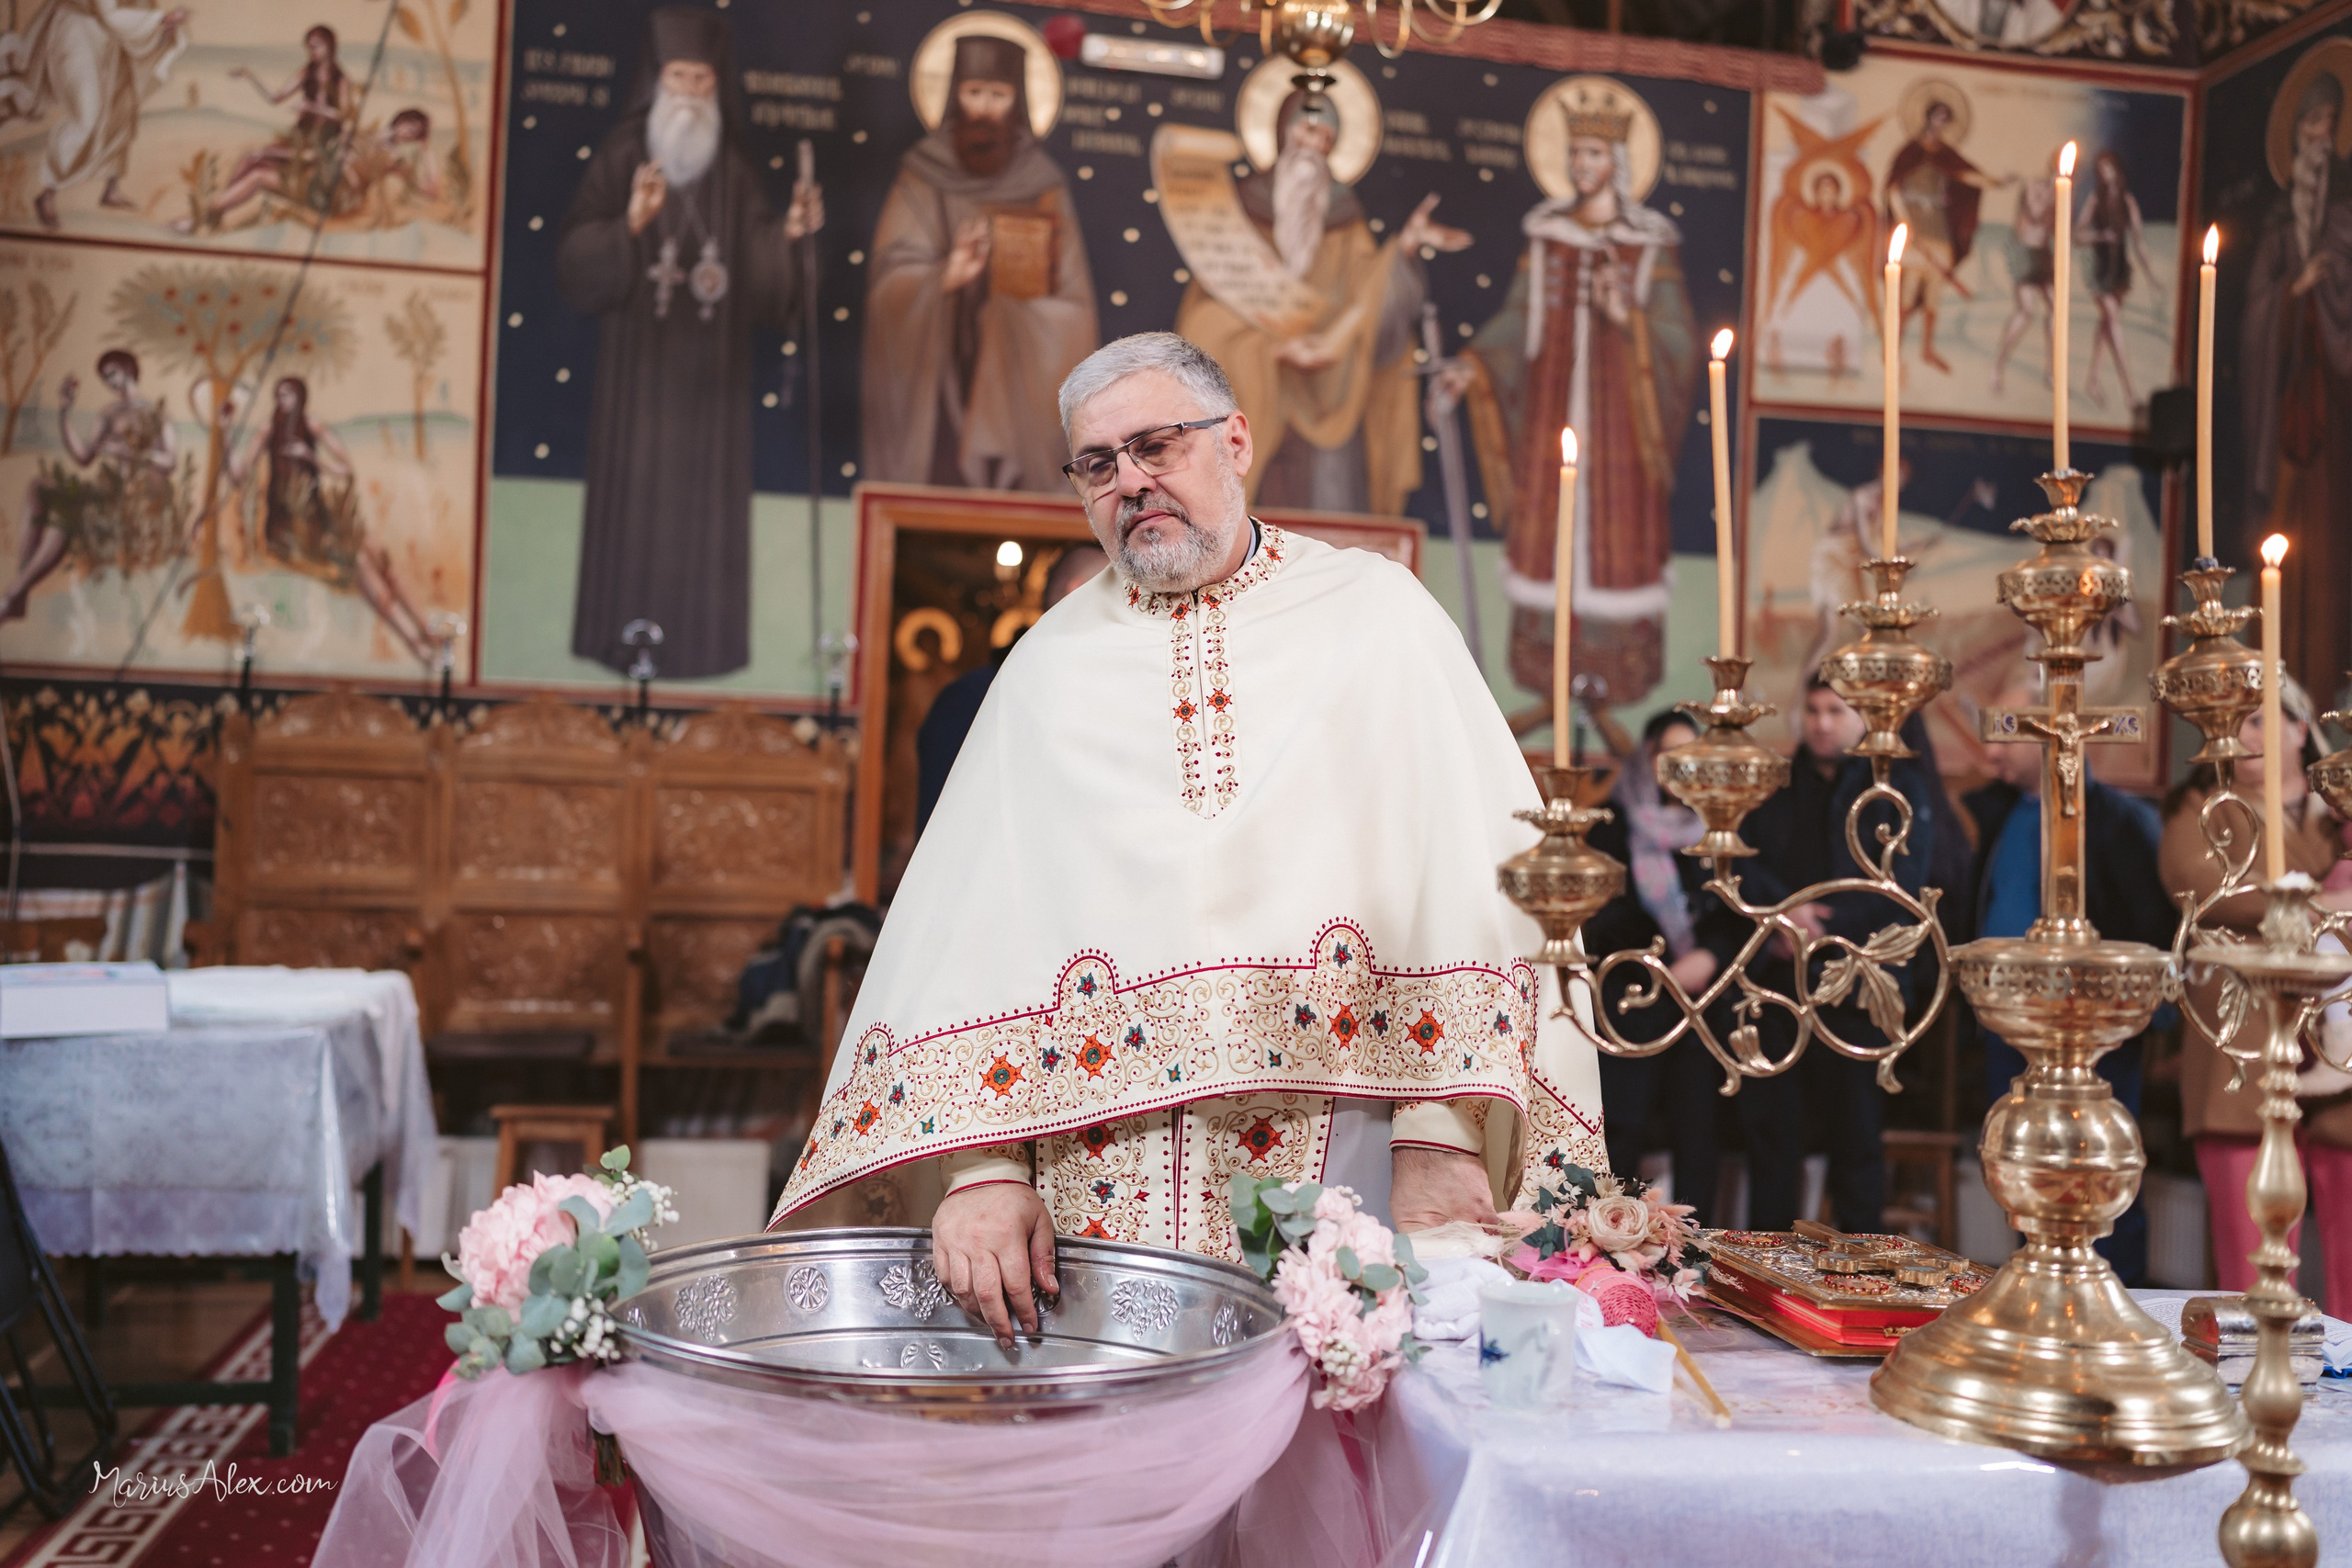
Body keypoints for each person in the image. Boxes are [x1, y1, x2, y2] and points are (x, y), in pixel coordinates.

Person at [771, 333, 1606, 1342]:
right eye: (1097, 463)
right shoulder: (1045, 670)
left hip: (1353, 1155)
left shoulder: (1381, 621)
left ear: (1235, 441)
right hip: (1097, 1194)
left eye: (1157, 445)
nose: (1129, 481)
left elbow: (1474, 890)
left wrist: (1446, 1134)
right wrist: (981, 1169)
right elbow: (968, 936)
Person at [555, 8, 821, 680]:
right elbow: (575, 261)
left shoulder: (731, 169)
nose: (692, 93)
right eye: (679, 77)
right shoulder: (623, 158)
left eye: (703, 80)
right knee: (634, 503)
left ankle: (704, 647)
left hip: (712, 388)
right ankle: (618, 639)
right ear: (657, 80)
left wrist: (788, 236)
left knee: (704, 513)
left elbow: (761, 270)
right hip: (636, 380)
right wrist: (629, 224)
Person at [1442, 79, 1698, 710]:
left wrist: (1627, 317)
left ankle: (1614, 672)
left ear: (1617, 161)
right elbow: (1516, 318)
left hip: (1622, 422)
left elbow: (1679, 340)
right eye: (1576, 152)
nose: (1582, 164)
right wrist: (1474, 365)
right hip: (1553, 405)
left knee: (1616, 528)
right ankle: (1546, 674)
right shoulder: (1548, 234)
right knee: (1548, 524)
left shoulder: (1649, 244)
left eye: (1594, 154)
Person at [1696, 675, 1937, 1234]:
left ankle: (1861, 1268)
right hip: (1778, 984)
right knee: (1771, 1139)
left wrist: (1821, 927)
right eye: (1813, 710)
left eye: (1836, 710)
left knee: (1856, 1140)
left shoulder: (1895, 787)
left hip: (1859, 985)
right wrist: (1786, 916)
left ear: (1862, 717)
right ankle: (1766, 1263)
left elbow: (1904, 888)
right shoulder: (1774, 783)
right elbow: (1740, 863)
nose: (1822, 722)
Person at [1966, 674, 2172, 1284]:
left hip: (2093, 1031)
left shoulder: (2116, 820)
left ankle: (2120, 1296)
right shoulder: (2000, 813)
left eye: (2007, 732)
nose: (1992, 751)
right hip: (2009, 1024)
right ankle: (2035, 1291)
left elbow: (2149, 926)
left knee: (2099, 1171)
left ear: (2048, 734)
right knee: (2020, 1165)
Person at [1174, 89, 1465, 516]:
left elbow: (1371, 300)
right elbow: (1201, 320)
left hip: (1332, 399)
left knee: (1331, 526)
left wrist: (1405, 247)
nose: (1313, 147)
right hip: (1252, 398)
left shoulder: (1343, 218)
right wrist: (1270, 350)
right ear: (1282, 132)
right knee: (1237, 523)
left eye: (1325, 139)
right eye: (1306, 131)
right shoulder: (1238, 213)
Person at [2161, 678, 2352, 1313]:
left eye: (2260, 720)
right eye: (2233, 722)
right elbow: (2203, 891)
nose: (2244, 735)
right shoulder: (2203, 809)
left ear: (2300, 728)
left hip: (2338, 1042)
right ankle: (2252, 1364)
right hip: (2242, 1040)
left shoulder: (2338, 809)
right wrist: (2326, 902)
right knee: (2251, 1265)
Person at [861, 32, 1096, 493]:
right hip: (938, 400)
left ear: (1017, 100)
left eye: (998, 94)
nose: (985, 109)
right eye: (974, 92)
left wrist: (1012, 313)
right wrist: (944, 277)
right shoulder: (921, 175)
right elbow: (888, 283)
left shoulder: (1044, 184)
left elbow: (1075, 307)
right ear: (955, 95)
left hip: (1015, 392)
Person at [2241, 51, 2352, 698]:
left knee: (2333, 538)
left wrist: (2331, 287)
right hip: (2288, 409)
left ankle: (2330, 685)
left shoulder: (2345, 218)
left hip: (2335, 407)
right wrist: (2294, 290)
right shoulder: (2281, 221)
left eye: (2330, 123)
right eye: (2311, 124)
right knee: (2285, 525)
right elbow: (2256, 312)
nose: (2321, 137)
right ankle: (2277, 691)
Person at [1586, 709, 1723, 1224]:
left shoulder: (1717, 828)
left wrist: (1709, 956)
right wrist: (1663, 965)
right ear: (1649, 757)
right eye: (1669, 754)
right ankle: (1612, 1240)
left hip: (1700, 1002)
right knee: (1622, 1128)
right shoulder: (1612, 826)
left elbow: (1735, 909)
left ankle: (1694, 1251)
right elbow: (1602, 917)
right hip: (1630, 999)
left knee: (1698, 1132)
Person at [224, 377, 434, 666]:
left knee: (378, 555)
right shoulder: (269, 431)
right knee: (362, 567)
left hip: (320, 514)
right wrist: (225, 434)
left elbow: (345, 469)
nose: (283, 400)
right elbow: (238, 476)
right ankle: (415, 642)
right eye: (279, 395)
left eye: (288, 394)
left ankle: (428, 629)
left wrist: (310, 457)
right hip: (290, 526)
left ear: (300, 396)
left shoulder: (312, 426)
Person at [913, 541, 1106, 837]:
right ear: (1078, 594)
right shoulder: (974, 698)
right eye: (1125, 596)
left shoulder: (1102, 694)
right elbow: (945, 828)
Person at [0, 349, 178, 620]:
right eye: (105, 378)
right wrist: (64, 411)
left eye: (112, 374)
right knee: (39, 485)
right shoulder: (110, 412)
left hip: (134, 498)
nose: (110, 382)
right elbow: (83, 457)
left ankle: (14, 595)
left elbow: (170, 461)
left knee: (67, 520)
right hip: (106, 490)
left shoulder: (156, 412)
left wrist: (131, 452)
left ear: (128, 369)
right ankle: (18, 595)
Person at [0, 0, 188, 230]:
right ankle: (47, 193)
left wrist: (161, 29)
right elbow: (107, 12)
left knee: (121, 109)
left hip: (111, 38)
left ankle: (111, 189)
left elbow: (137, 10)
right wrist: (157, 21)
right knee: (87, 118)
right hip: (77, 31)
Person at [1885, 90, 2011, 375]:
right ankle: (1893, 347)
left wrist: (1995, 182)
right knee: (1908, 291)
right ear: (1928, 117)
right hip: (1915, 228)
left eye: (1946, 119)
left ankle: (1927, 349)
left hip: (1938, 229)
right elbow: (1892, 189)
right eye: (1938, 117)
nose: (1941, 123)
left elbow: (1965, 176)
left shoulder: (1946, 155)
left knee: (1934, 293)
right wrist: (1905, 225)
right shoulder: (1909, 152)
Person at [184, 106, 440, 232]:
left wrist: (427, 149)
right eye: (408, 124)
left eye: (414, 132)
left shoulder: (395, 160)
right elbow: (325, 152)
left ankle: (202, 217)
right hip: (317, 174)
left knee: (258, 176)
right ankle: (217, 214)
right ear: (399, 120)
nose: (407, 131)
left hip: (333, 194)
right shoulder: (367, 134)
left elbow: (432, 192)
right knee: (252, 159)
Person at [2078, 150, 2159, 412]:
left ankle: (2092, 380)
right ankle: (2130, 393)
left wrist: (2151, 277)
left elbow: (2139, 241)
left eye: (2108, 168)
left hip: (2119, 270)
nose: (2105, 173)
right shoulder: (2095, 199)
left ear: (2116, 170)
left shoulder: (2127, 201)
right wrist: (2100, 237)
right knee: (2113, 323)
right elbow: (2078, 234)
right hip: (2100, 269)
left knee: (2106, 326)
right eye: (2101, 169)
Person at [1990, 159, 2057, 398]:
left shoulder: (2062, 193)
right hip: (2025, 251)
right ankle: (1998, 367)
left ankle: (2052, 371)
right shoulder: (2036, 186)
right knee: (2026, 311)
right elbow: (2036, 213)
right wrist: (2054, 194)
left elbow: (2056, 225)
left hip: (2043, 253)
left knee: (2057, 311)